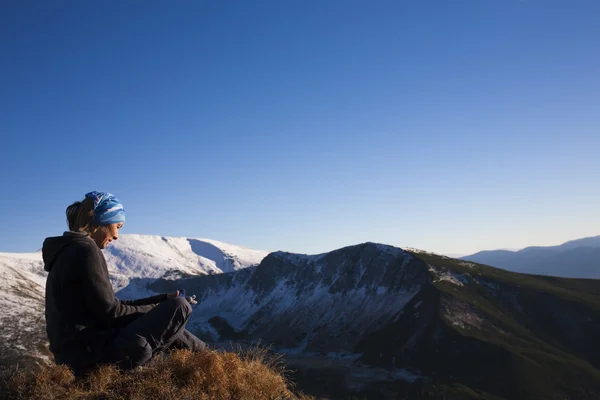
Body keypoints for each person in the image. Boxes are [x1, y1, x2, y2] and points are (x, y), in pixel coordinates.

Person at [43, 191, 206, 377]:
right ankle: (212, 361)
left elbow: (111, 307)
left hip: (80, 357)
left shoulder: (67, 252)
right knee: (180, 307)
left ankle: (210, 360)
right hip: (94, 359)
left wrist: (162, 300)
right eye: (117, 226)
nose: (117, 235)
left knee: (171, 313)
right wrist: (162, 306)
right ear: (103, 221)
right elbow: (112, 313)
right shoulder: (86, 250)